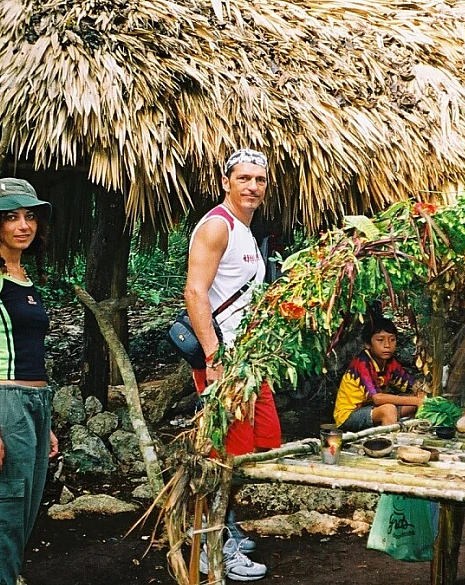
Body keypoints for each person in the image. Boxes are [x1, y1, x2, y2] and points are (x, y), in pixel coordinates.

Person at [183, 148, 281, 581]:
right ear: (226, 182)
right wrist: (213, 356)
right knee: (223, 451)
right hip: (224, 359)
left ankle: (227, 525)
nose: (252, 187)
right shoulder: (217, 226)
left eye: (259, 180)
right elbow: (194, 293)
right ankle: (212, 543)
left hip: (249, 359)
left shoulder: (245, 230)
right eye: (243, 178)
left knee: (260, 442)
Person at [0, 178, 59, 585]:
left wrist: (47, 424)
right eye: (11, 217)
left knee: (9, 525)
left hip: (35, 406)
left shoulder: (21, 275)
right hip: (4, 403)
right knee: (3, 520)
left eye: (29, 215)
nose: (23, 225)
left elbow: (32, 353)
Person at [334, 315, 421, 431]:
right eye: (380, 340)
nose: (387, 345)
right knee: (389, 409)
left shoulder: (390, 362)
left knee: (412, 403)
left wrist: (420, 394)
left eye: (392, 340)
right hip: (349, 416)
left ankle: (408, 434)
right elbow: (377, 399)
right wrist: (416, 400)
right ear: (368, 344)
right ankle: (388, 444)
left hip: (373, 409)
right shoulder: (362, 363)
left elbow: (413, 384)